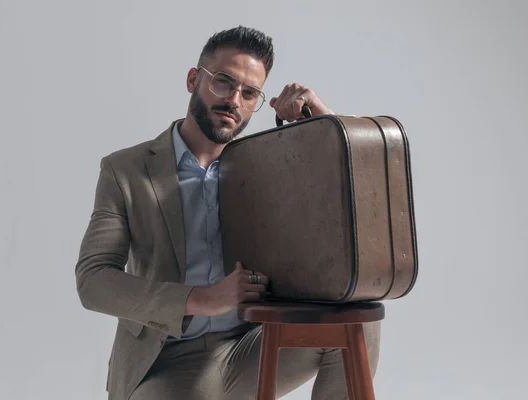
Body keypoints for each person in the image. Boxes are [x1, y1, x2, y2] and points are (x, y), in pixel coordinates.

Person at [75, 25, 380, 400]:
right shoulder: (126, 170)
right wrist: (200, 298)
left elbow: (352, 211)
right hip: (168, 361)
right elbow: (93, 281)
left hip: (252, 345)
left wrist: (323, 123)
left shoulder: (268, 167)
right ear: (193, 80)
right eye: (223, 82)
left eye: (249, 93)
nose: (234, 100)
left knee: (358, 325)